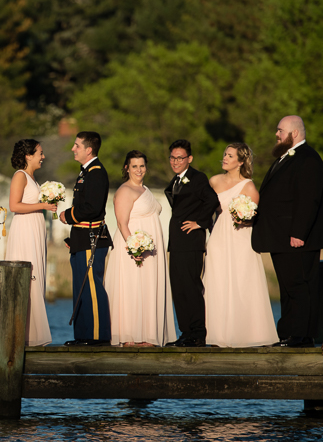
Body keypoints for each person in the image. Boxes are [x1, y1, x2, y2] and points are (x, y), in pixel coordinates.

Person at [252, 116, 323, 347]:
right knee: (287, 287)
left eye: (280, 130)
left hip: (296, 239)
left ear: (294, 133)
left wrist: (299, 233)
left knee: (299, 286)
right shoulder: (285, 158)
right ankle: (288, 333)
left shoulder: (308, 159)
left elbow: (309, 199)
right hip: (280, 238)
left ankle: (302, 336)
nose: (276, 134)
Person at [203, 143, 279, 347]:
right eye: (224, 154)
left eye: (230, 155)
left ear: (240, 161)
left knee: (241, 281)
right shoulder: (213, 181)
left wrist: (243, 218)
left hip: (241, 239)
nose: (224, 158)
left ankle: (247, 333)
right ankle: (216, 334)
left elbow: (254, 218)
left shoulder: (249, 186)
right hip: (218, 237)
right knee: (217, 280)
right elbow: (204, 209)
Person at [104, 151, 174, 347]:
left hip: (150, 251)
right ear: (127, 168)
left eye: (142, 166)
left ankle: (147, 336)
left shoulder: (145, 190)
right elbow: (122, 223)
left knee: (147, 289)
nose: (139, 170)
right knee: (132, 289)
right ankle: (130, 337)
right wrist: (135, 248)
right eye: (134, 166)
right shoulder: (125, 190)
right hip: (132, 250)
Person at [58, 131, 112, 346]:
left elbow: (92, 208)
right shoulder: (86, 172)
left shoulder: (96, 172)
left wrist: (67, 215)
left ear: (89, 149)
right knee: (80, 288)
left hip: (92, 237)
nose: (73, 148)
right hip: (81, 237)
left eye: (77, 145)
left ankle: (97, 336)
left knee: (92, 288)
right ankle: (83, 335)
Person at [163, 139, 217, 348]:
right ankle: (185, 332)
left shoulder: (197, 178)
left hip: (191, 243)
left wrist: (200, 223)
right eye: (173, 158)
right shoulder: (176, 180)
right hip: (177, 242)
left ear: (189, 159)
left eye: (180, 158)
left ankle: (197, 334)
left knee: (191, 288)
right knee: (178, 288)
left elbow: (212, 200)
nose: (175, 162)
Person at [4, 139, 56, 347]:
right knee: (27, 277)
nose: (43, 157)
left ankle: (32, 333)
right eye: (40, 153)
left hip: (35, 228)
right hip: (24, 230)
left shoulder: (33, 178)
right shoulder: (20, 175)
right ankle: (23, 333)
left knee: (37, 276)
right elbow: (14, 205)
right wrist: (43, 204)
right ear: (28, 155)